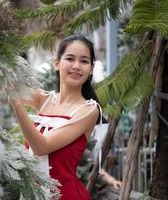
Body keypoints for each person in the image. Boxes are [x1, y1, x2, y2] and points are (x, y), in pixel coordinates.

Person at [8, 35, 103, 199]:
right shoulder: (43, 99)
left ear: (91, 69)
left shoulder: (88, 110)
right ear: (57, 63)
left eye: (84, 61)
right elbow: (6, 84)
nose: (76, 66)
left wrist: (16, 104)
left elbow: (41, 147)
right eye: (70, 58)